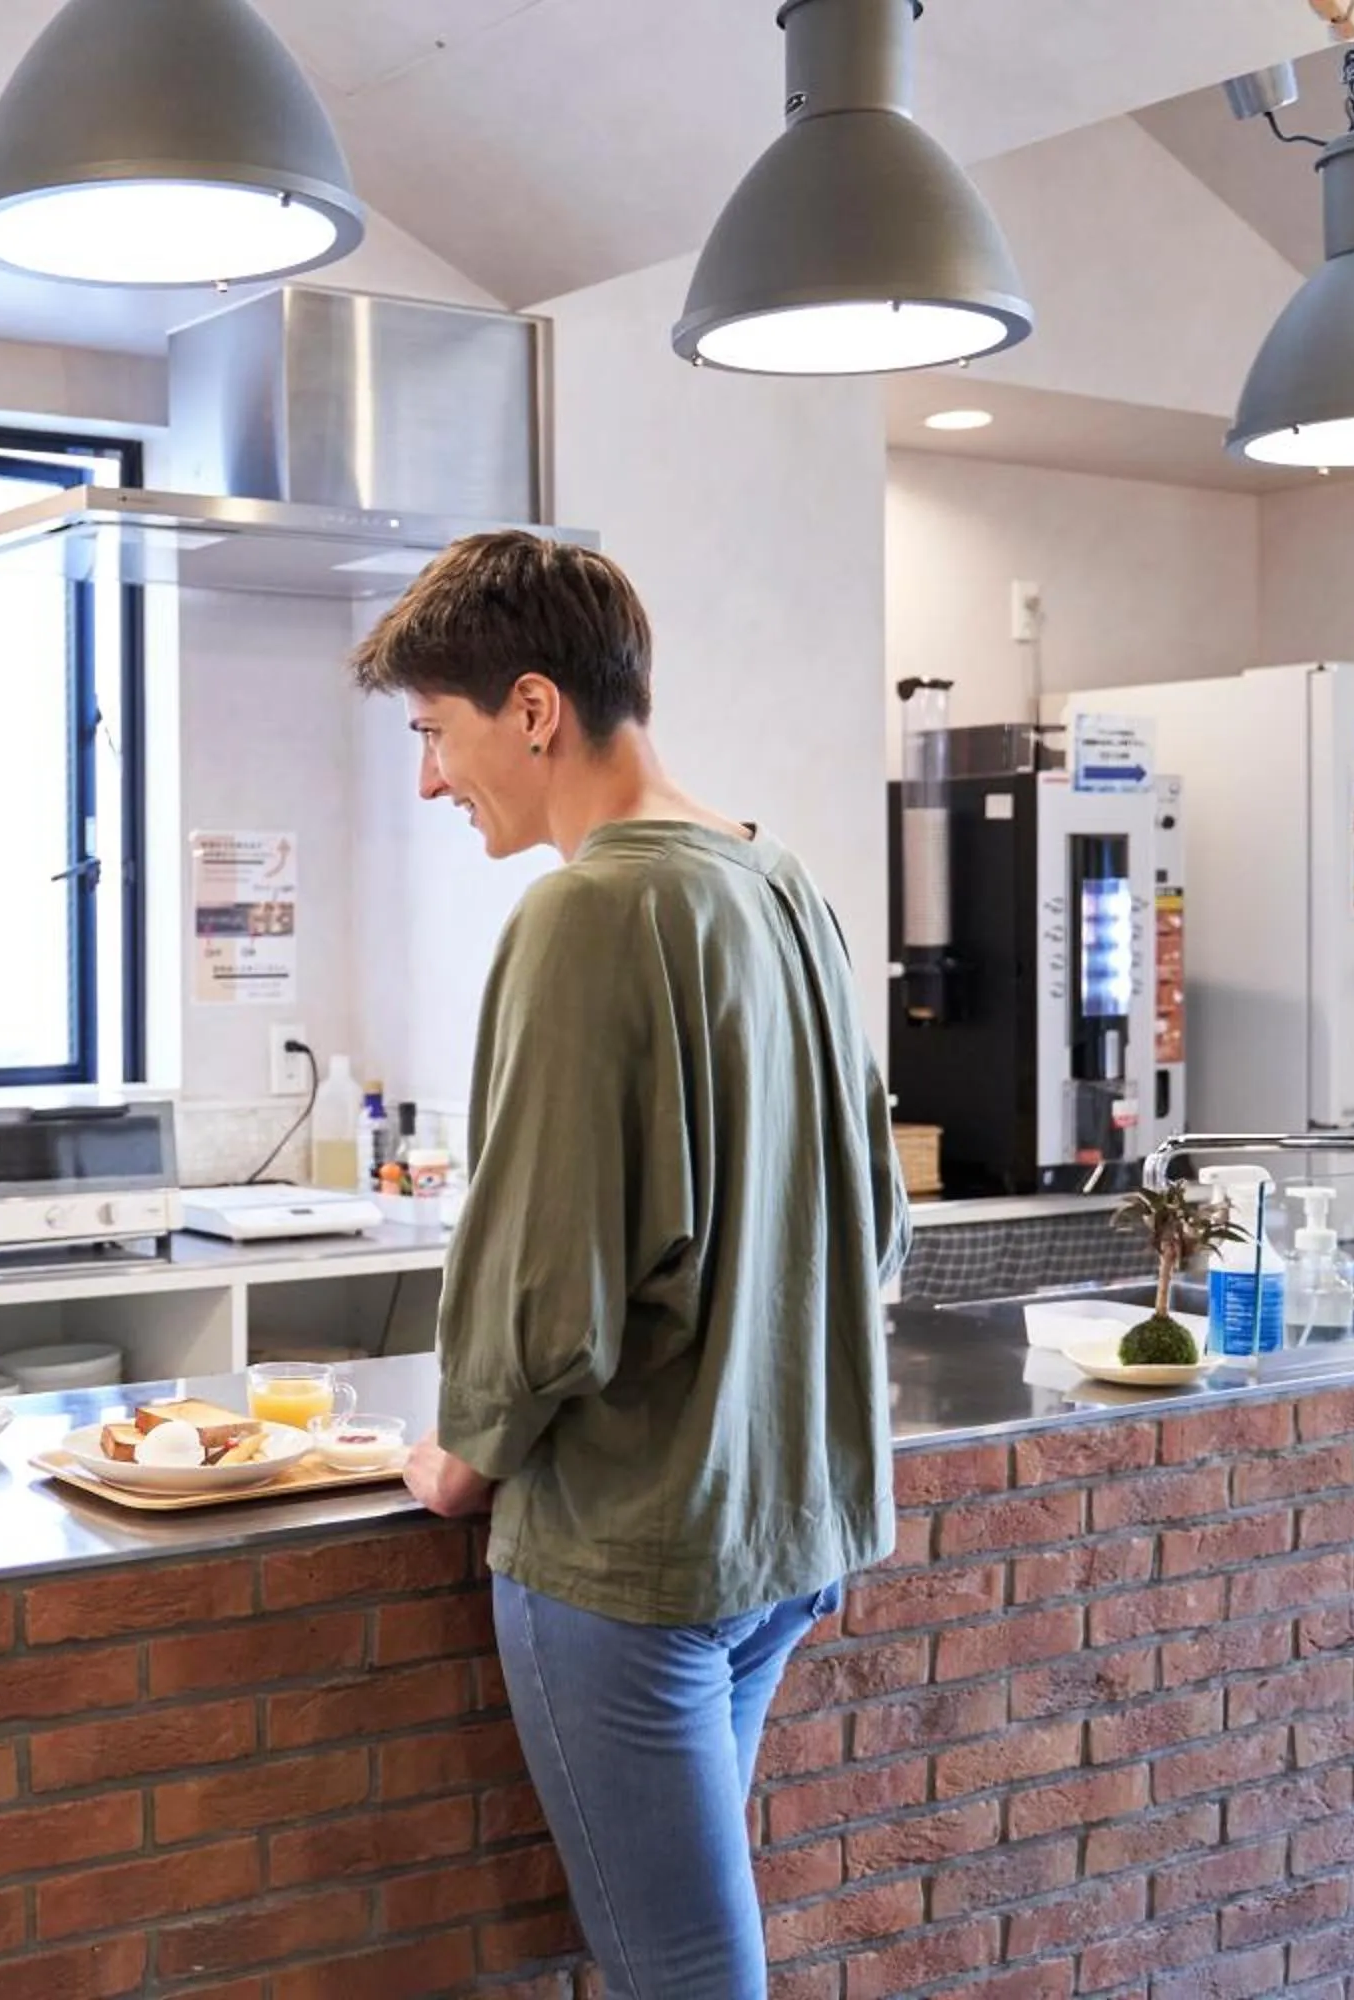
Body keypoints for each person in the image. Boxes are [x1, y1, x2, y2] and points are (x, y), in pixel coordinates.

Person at [350, 533, 907, 1997]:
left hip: (633, 1554)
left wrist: (465, 1453)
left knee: (684, 1977)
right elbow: (875, 1211)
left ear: (532, 709)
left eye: (434, 734)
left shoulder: (588, 908)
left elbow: (547, 1274)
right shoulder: (774, 880)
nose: (428, 781)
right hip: (785, 1528)